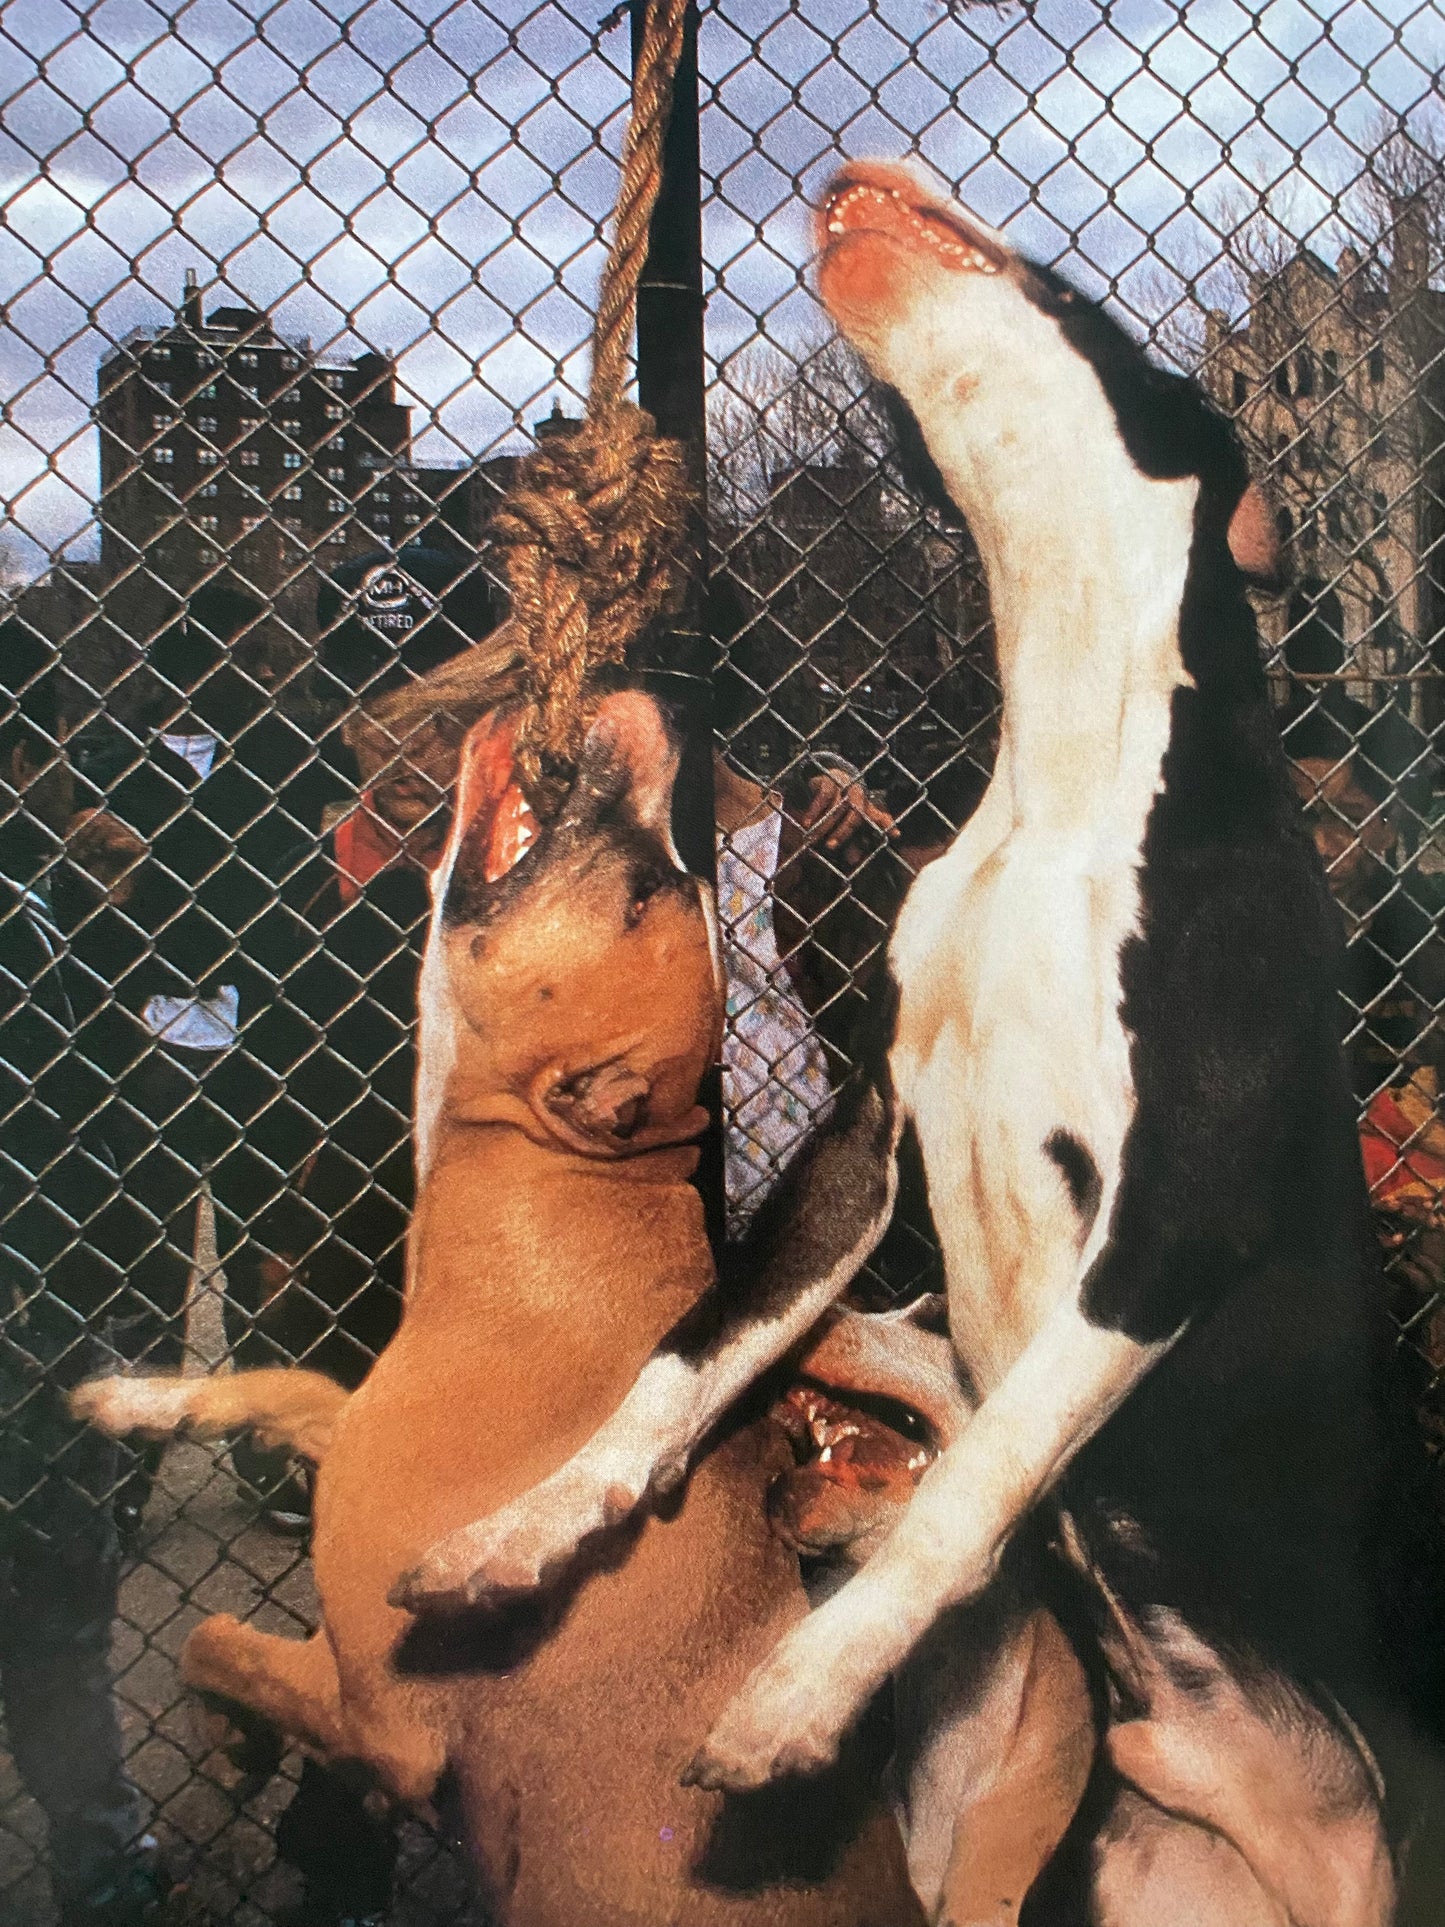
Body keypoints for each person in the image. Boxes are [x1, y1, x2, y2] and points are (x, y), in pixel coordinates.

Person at [0, 625, 164, 1926]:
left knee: (59, 1613)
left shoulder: (45, 895)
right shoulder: (26, 906)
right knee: (58, 1621)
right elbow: (76, 1120)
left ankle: (102, 1856)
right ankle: (101, 1860)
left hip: (43, 1301)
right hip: (35, 1308)